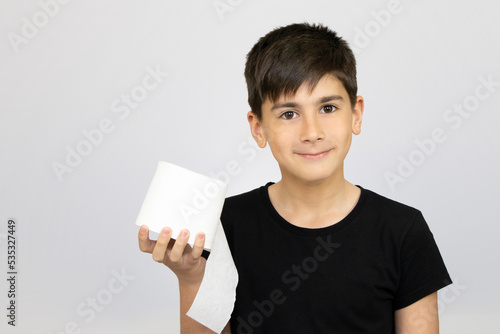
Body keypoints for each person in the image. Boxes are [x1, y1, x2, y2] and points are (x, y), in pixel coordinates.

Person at [138, 22, 451, 333]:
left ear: (355, 115)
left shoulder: (403, 231)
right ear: (258, 127)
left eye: (328, 108)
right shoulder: (223, 226)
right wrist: (193, 280)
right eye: (289, 114)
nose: (311, 132)